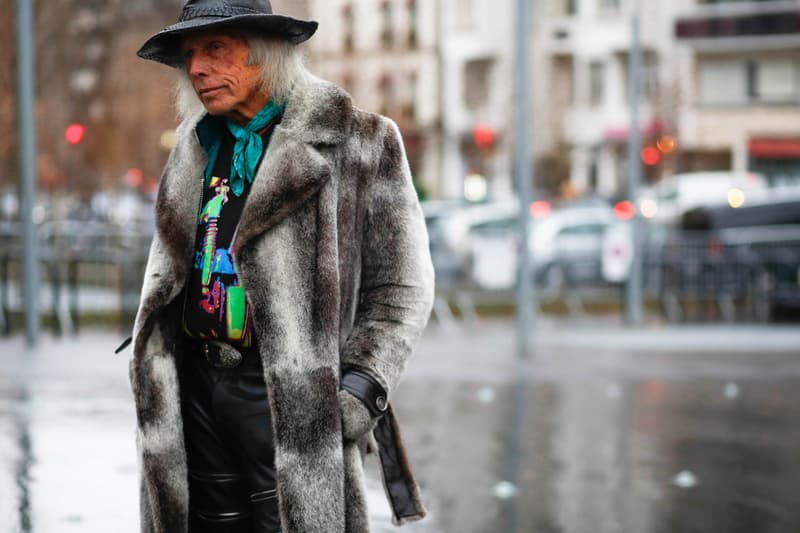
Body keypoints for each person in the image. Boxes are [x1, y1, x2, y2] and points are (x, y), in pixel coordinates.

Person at [129, 1, 434, 531]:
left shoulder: (362, 142)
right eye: (190, 55)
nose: (197, 68)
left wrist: (362, 387)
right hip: (195, 387)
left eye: (215, 49)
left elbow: (403, 287)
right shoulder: (192, 145)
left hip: (288, 398)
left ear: (266, 51)